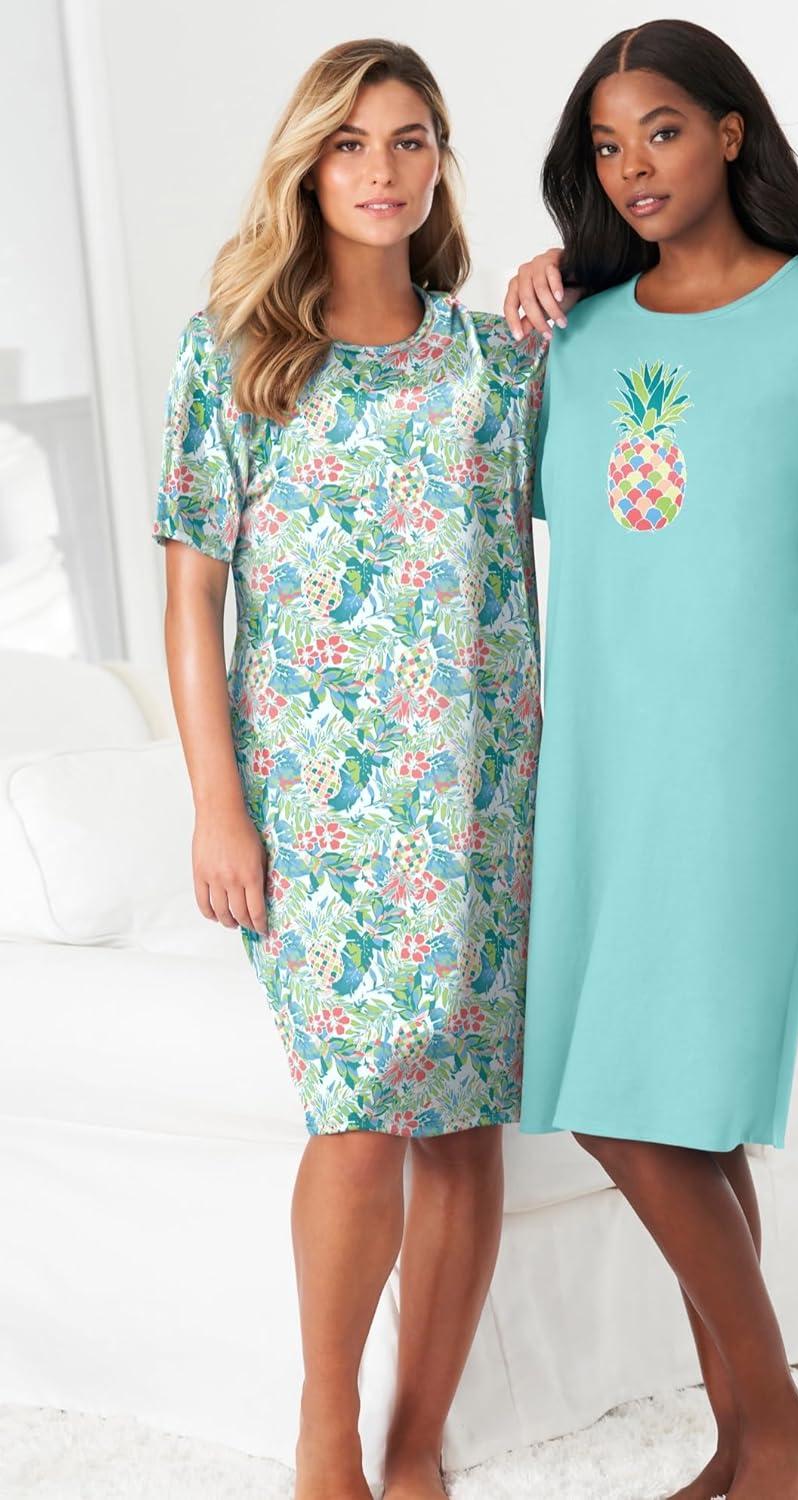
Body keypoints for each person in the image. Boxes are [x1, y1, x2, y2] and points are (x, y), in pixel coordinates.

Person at [503, 19, 798, 1500]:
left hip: (741, 761)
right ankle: (748, 1433)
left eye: (661, 131)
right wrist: (535, 289)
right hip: (595, 765)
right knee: (662, 1107)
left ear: (730, 133)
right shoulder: (574, 334)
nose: (634, 167)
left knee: (639, 1100)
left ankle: (777, 1423)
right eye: (607, 147)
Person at [151, 39, 545, 1500]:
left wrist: (564, 274)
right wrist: (217, 803)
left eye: (412, 140)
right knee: (364, 1108)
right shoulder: (233, 355)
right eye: (352, 142)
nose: (383, 170)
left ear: (441, 164)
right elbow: (193, 596)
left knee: (464, 1122)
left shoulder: (495, 362)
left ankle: (417, 1437)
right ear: (307, 165)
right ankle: (328, 1430)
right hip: (318, 801)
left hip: (485, 791)